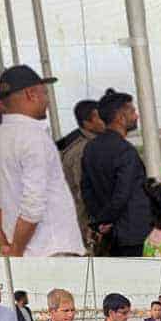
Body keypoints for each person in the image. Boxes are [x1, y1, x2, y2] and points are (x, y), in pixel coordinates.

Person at [0, 65, 84, 257]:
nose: (47, 100)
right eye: (44, 93)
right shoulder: (33, 137)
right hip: (52, 249)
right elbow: (33, 204)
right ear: (31, 94)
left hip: (21, 251)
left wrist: (6, 246)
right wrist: (16, 252)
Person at [81, 88, 151, 257]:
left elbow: (86, 190)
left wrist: (100, 221)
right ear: (121, 118)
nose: (136, 116)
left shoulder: (90, 147)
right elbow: (122, 194)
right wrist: (106, 219)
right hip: (132, 233)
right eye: (133, 111)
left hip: (110, 235)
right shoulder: (125, 151)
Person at [57, 100, 106, 252]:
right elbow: (83, 194)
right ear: (87, 123)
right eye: (100, 117)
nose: (105, 119)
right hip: (86, 224)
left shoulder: (92, 145)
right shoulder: (83, 150)